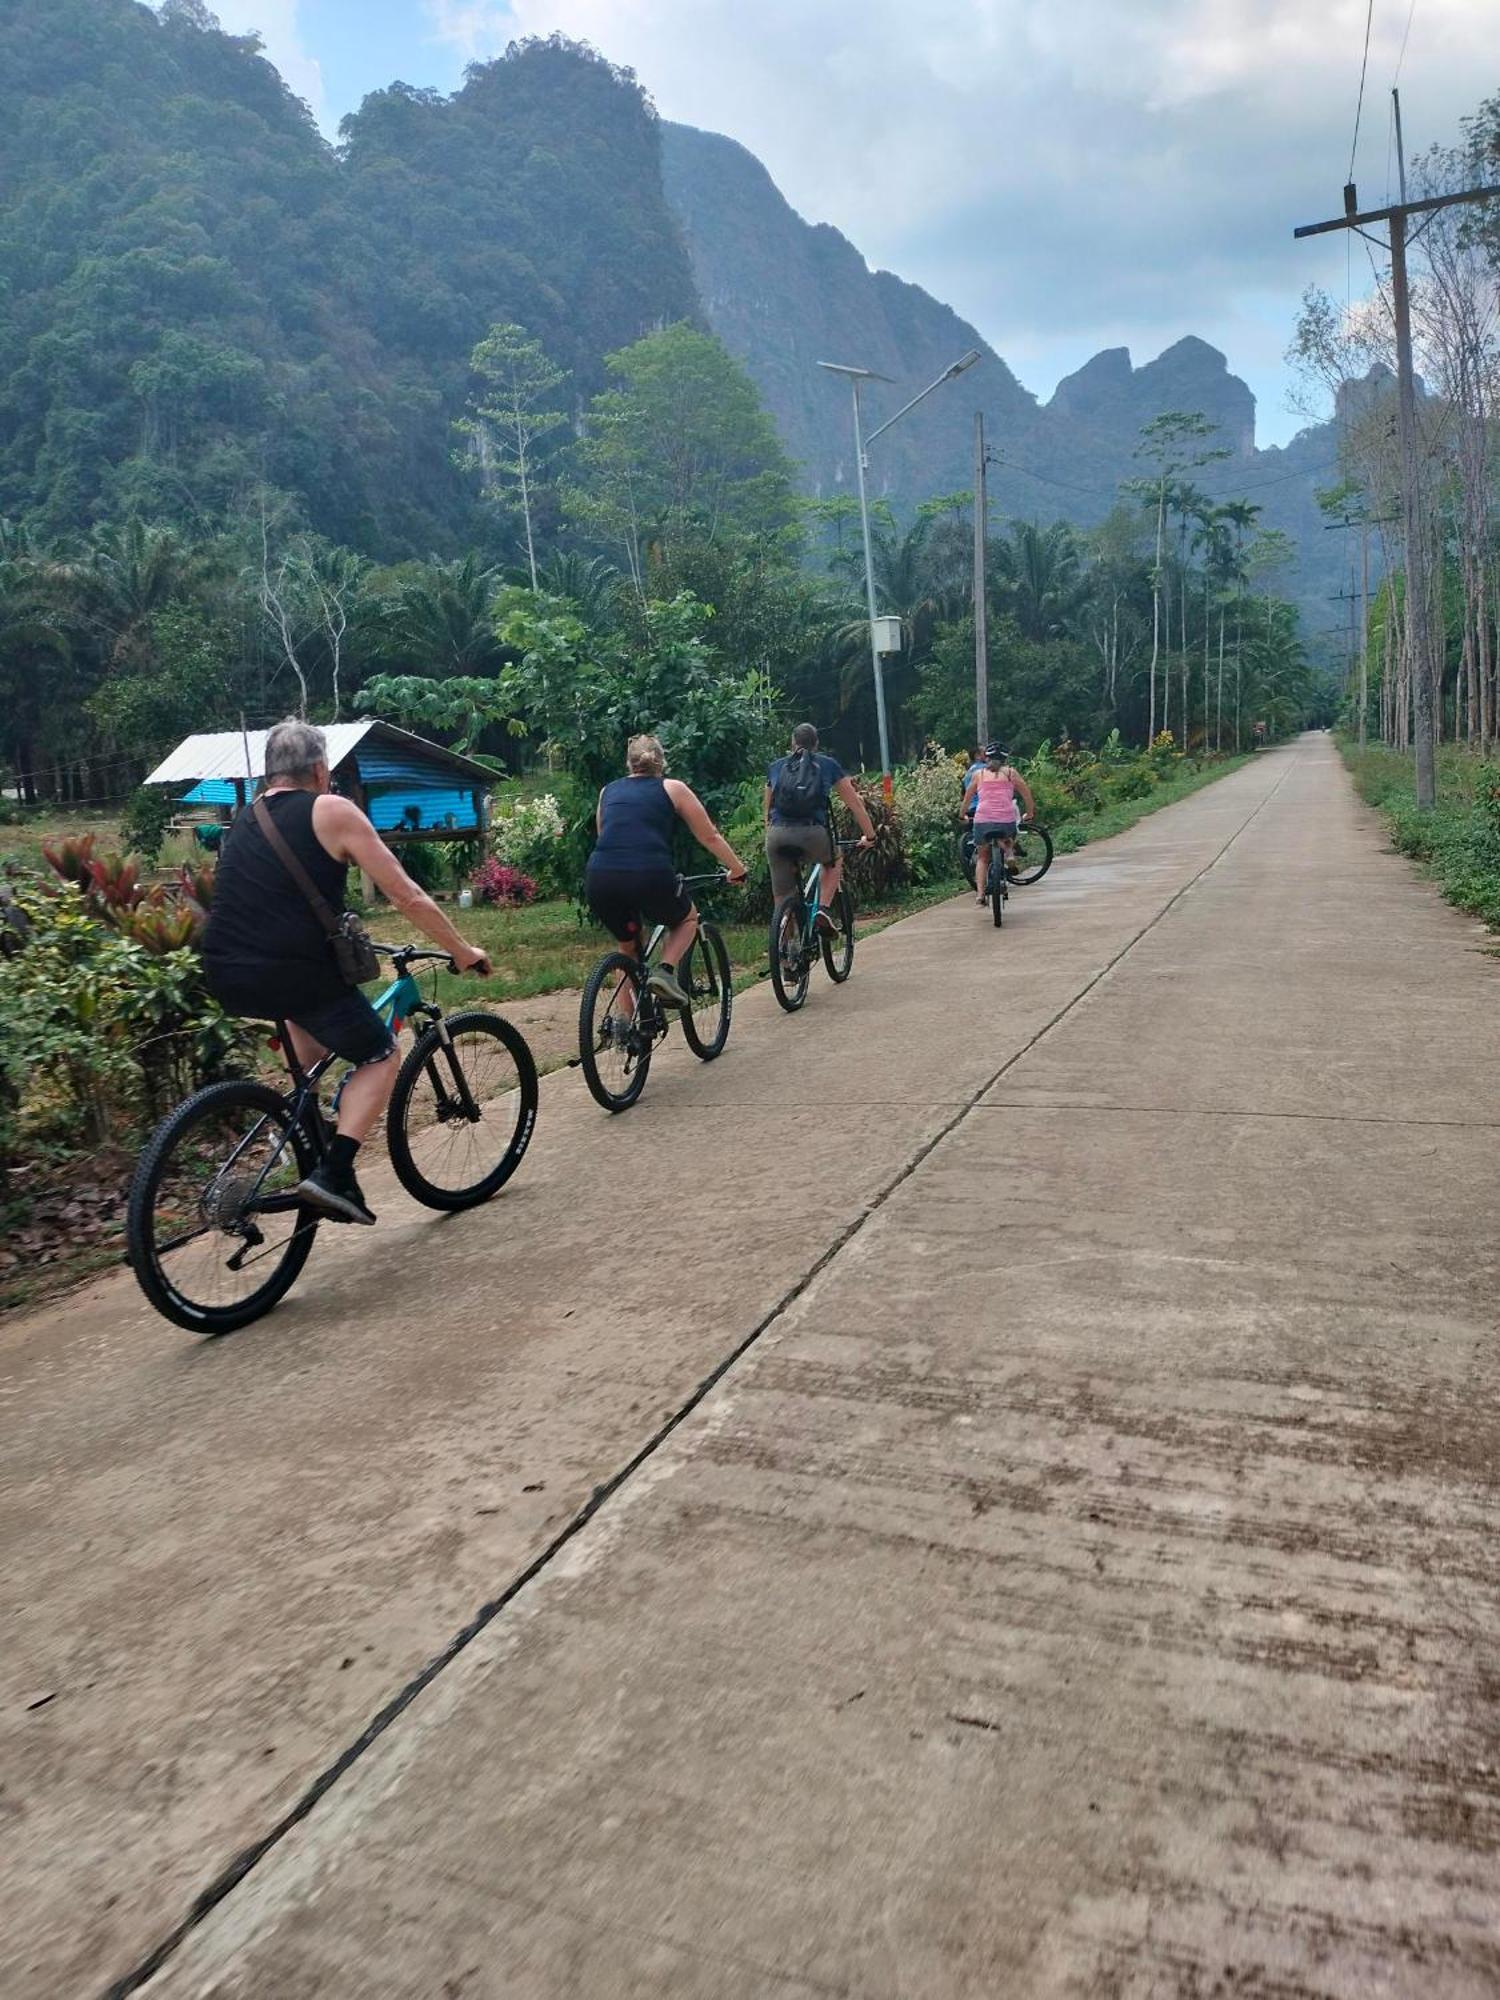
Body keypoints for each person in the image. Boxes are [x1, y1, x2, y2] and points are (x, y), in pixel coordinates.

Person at [202, 718, 492, 1227]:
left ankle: (304, 1139)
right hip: (295, 970)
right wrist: (462, 949)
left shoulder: (247, 817)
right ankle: (333, 1174)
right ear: (320, 769)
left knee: (309, 1059)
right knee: (381, 1055)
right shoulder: (331, 809)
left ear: (271, 772)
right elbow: (406, 894)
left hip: (228, 971)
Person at [585, 733, 748, 1008]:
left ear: (629, 763)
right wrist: (737, 868)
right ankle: (666, 972)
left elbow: (605, 836)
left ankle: (625, 1025)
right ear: (661, 763)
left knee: (627, 947)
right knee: (687, 919)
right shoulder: (673, 788)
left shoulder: (608, 791)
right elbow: (709, 836)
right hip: (649, 874)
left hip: (600, 877)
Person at [763, 722, 875, 935]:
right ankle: (822, 909)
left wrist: (769, 834)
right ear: (816, 744)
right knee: (834, 860)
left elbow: (766, 809)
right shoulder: (828, 765)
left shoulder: (776, 767)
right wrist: (870, 835)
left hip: (777, 835)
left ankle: (785, 957)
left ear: (792, 743)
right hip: (813, 833)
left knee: (782, 899)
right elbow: (855, 805)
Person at [961, 744, 1036, 908]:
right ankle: (1009, 852)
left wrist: (962, 815)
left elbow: (967, 799)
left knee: (982, 857)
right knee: (1009, 835)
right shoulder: (1011, 773)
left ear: (986, 758)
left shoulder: (978, 774)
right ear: (1005, 759)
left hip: (982, 821)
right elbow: (1027, 795)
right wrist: (1029, 813)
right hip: (1006, 820)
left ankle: (980, 896)